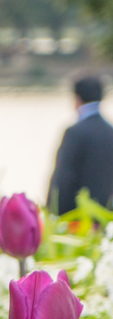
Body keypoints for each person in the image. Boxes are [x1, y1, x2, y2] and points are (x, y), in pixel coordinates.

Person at [48, 75, 113, 215]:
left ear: (77, 98)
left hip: (80, 220)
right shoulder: (110, 131)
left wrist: (52, 212)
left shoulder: (75, 132)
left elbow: (63, 179)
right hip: (108, 219)